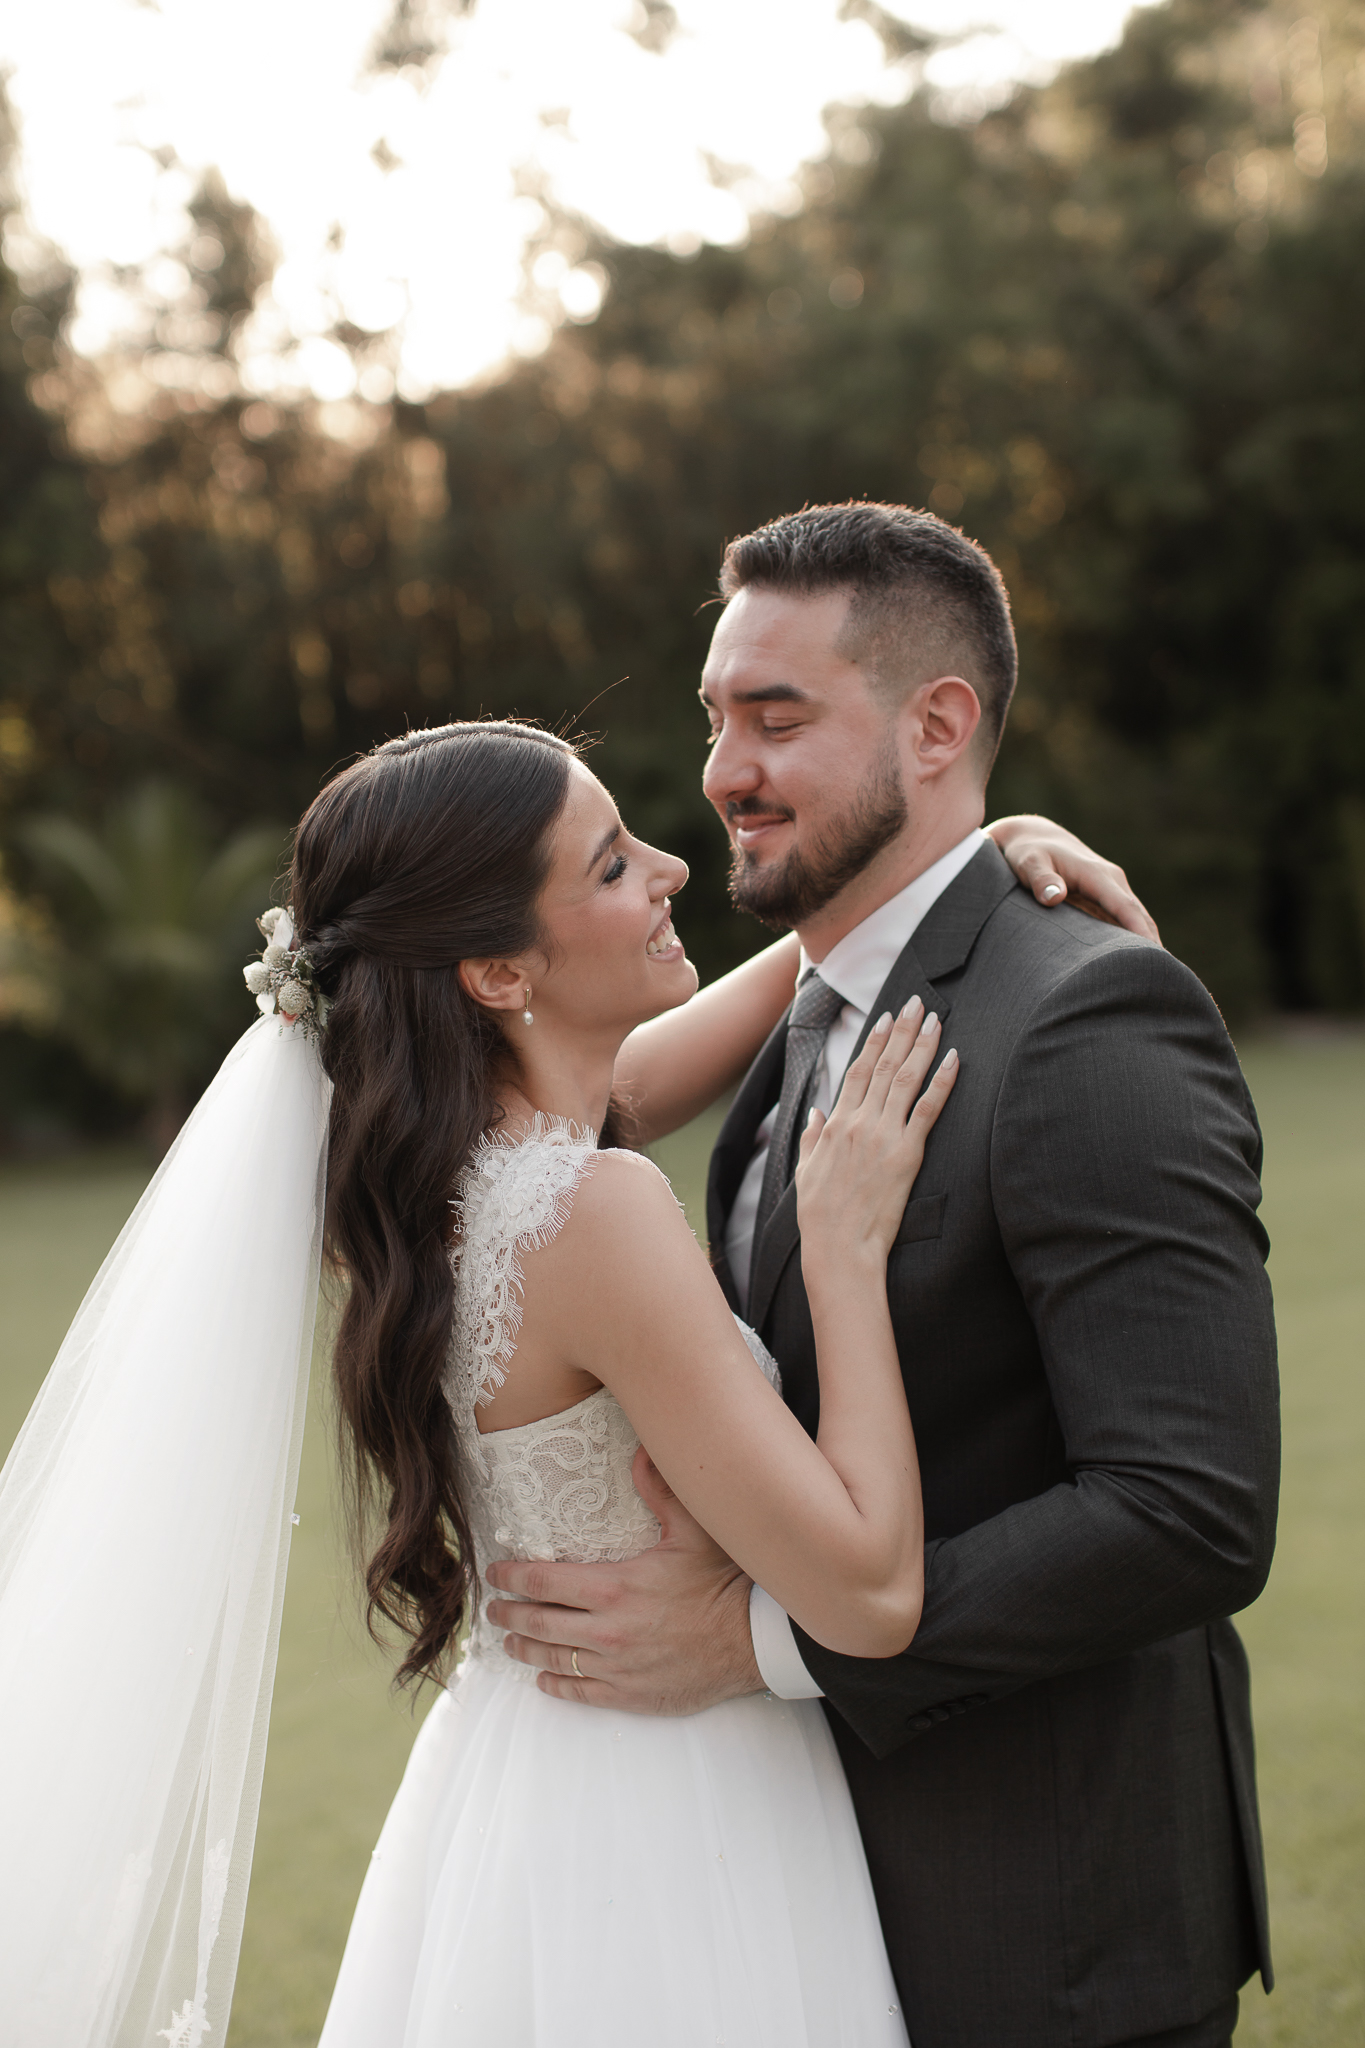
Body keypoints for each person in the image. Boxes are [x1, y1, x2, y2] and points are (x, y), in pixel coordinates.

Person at [484, 503, 1281, 2048]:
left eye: (775, 719)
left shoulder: (1089, 1019)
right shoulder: (806, 1007)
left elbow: (1187, 1509)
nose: (721, 771)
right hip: (786, 1902)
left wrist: (761, 1644)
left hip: (1039, 1929)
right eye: (717, 717)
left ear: (936, 726)